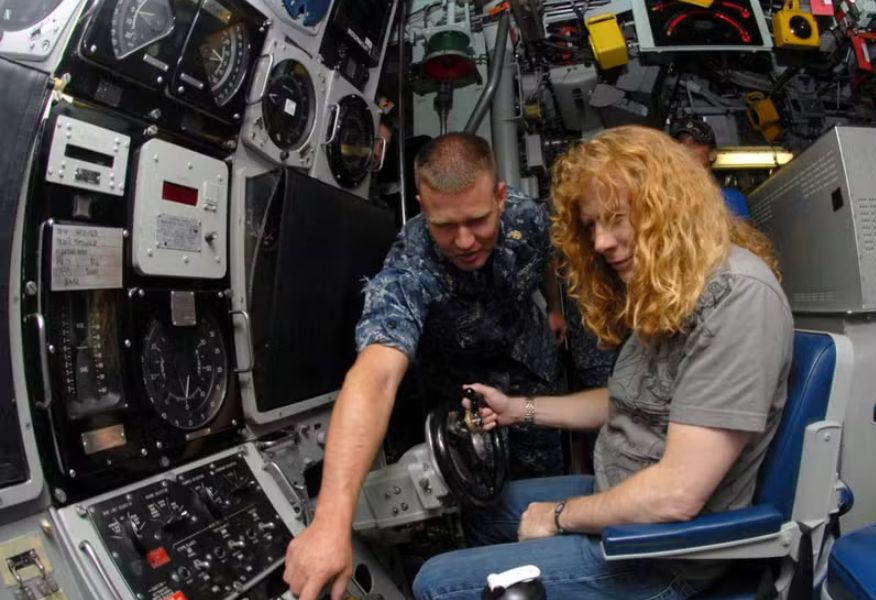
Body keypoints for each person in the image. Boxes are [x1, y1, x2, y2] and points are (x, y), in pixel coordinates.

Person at [412, 125, 793, 599]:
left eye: (617, 218)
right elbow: (625, 401)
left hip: (659, 551)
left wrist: (558, 515)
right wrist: (516, 409)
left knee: (435, 583)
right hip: (620, 493)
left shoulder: (738, 298)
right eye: (592, 225)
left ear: (668, 204)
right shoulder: (673, 287)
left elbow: (678, 493)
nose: (601, 243)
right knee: (481, 509)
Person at [284, 133, 568, 600]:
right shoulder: (410, 263)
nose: (464, 241)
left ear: (499, 197)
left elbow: (550, 258)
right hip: (464, 402)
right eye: (443, 225)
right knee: (479, 509)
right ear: (421, 205)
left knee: (544, 493)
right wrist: (330, 523)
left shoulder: (527, 217)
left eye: (478, 221)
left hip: (531, 374)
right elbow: (374, 376)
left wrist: (555, 308)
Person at [670, 116, 752, 220]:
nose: (686, 148)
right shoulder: (668, 201)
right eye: (681, 143)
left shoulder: (731, 199)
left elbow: (744, 235)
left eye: (695, 142)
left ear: (712, 154)